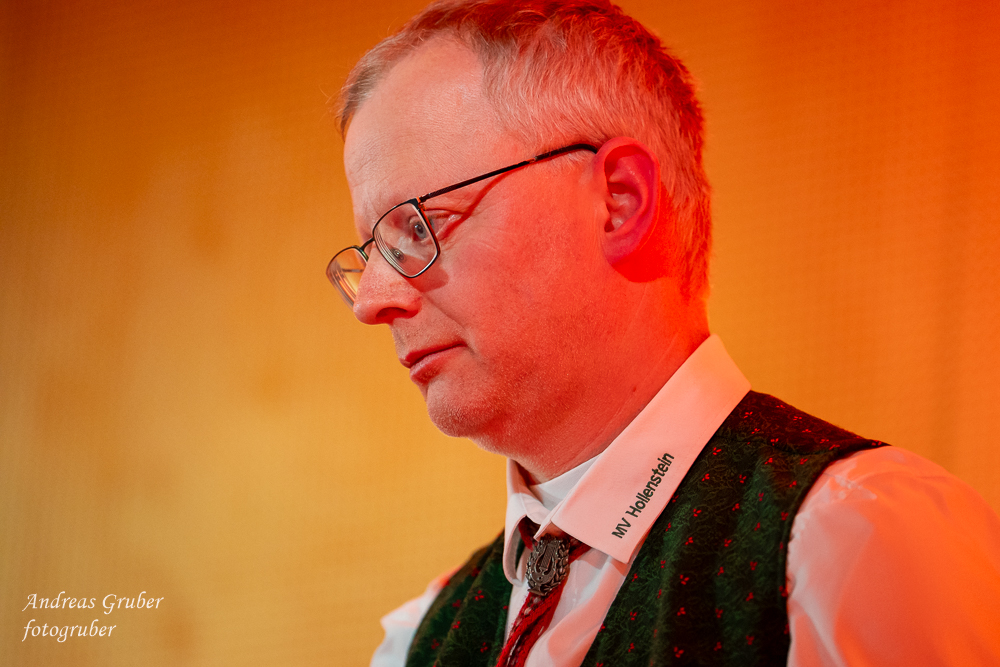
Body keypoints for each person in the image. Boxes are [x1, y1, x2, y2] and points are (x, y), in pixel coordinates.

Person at [325, 1, 1000, 665]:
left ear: (619, 202)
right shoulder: (420, 638)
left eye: (418, 226)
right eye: (371, 252)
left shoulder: (856, 542)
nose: (372, 302)